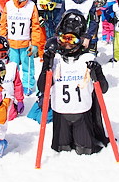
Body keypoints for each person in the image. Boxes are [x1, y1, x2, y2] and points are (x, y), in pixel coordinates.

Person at [38, 10, 109, 155]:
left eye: (73, 40)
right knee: (62, 148)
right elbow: (42, 88)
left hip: (82, 112)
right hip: (60, 113)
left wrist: (98, 72)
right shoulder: (55, 60)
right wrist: (46, 66)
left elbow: (103, 89)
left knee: (84, 149)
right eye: (64, 39)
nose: (68, 45)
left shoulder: (87, 59)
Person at [0, 0, 41, 95]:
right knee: (12, 67)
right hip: (11, 43)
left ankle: (28, 85)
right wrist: (2, 40)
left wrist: (35, 44)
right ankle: (12, 84)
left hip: (26, 43)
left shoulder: (31, 6)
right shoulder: (8, 5)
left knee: (28, 66)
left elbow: (36, 27)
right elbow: (3, 24)